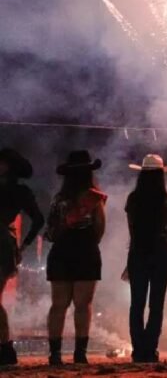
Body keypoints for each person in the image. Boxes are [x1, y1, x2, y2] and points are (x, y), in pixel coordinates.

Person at [45, 151, 107, 365]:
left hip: (61, 251)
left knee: (58, 305)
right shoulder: (95, 198)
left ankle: (55, 354)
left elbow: (50, 231)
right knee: (83, 305)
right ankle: (80, 353)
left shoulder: (58, 199)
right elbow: (99, 229)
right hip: (86, 251)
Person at [124, 154, 167, 362]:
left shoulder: (133, 199)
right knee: (157, 304)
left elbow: (132, 230)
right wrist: (162, 247)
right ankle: (150, 347)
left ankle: (138, 349)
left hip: (138, 251)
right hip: (161, 251)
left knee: (136, 303)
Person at [0, 148, 44, 366]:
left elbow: (38, 220)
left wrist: (24, 245)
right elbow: (38, 220)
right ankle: (5, 348)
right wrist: (23, 245)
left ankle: (5, 347)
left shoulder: (18, 191)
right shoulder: (20, 191)